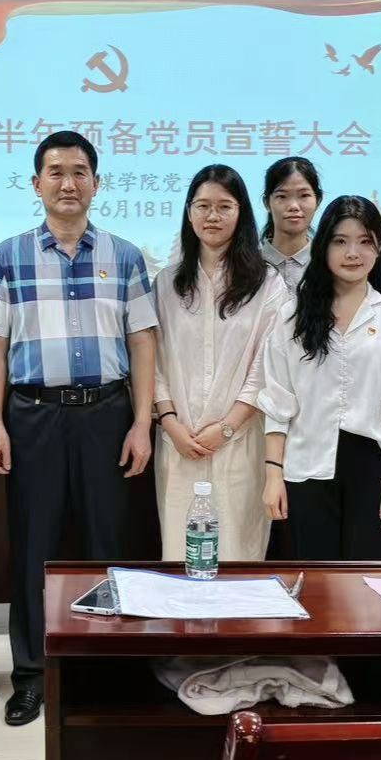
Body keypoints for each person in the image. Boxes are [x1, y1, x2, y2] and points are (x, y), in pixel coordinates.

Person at [0, 131, 158, 727]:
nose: (68, 183)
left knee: (109, 544)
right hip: (34, 414)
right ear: (36, 184)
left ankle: (107, 670)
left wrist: (141, 422)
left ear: (96, 183)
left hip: (107, 413)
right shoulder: (9, 256)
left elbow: (142, 340)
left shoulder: (126, 256)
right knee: (35, 546)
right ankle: (33, 675)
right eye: (55, 172)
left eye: (79, 172)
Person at [259, 196, 381, 561]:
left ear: (379, 248)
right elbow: (277, 401)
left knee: (367, 581)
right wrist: (273, 475)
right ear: (323, 247)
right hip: (306, 466)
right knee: (314, 579)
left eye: (365, 241)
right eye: (340, 241)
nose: (353, 253)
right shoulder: (292, 316)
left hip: (373, 466)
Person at [155, 166, 288, 563]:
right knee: (180, 557)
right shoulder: (166, 282)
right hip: (179, 442)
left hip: (241, 441)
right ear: (188, 212)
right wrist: (170, 423)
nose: (212, 216)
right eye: (203, 206)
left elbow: (269, 365)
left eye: (224, 206)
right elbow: (152, 360)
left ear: (241, 212)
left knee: (238, 558)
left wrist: (228, 426)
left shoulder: (268, 283)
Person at [259, 156, 321, 292]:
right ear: (267, 203)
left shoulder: (328, 264)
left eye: (304, 195)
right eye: (282, 196)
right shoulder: (247, 264)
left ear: (318, 201)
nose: (293, 206)